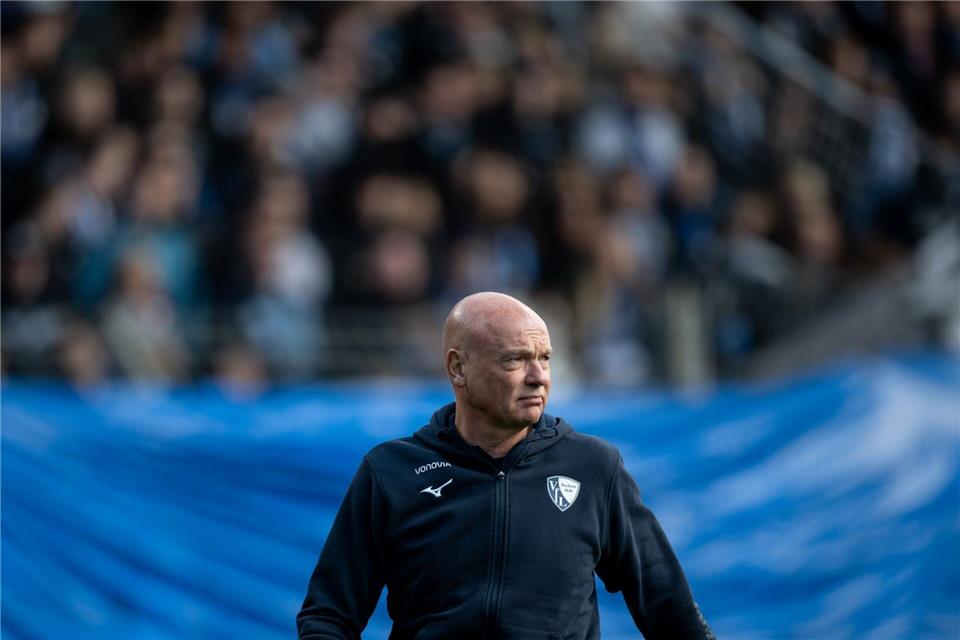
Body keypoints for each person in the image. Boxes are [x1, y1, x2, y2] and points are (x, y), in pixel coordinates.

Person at [297, 292, 714, 639]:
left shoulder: (593, 467)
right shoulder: (391, 471)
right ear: (458, 368)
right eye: (516, 360)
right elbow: (328, 617)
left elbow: (671, 614)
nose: (539, 377)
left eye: (545, 358)